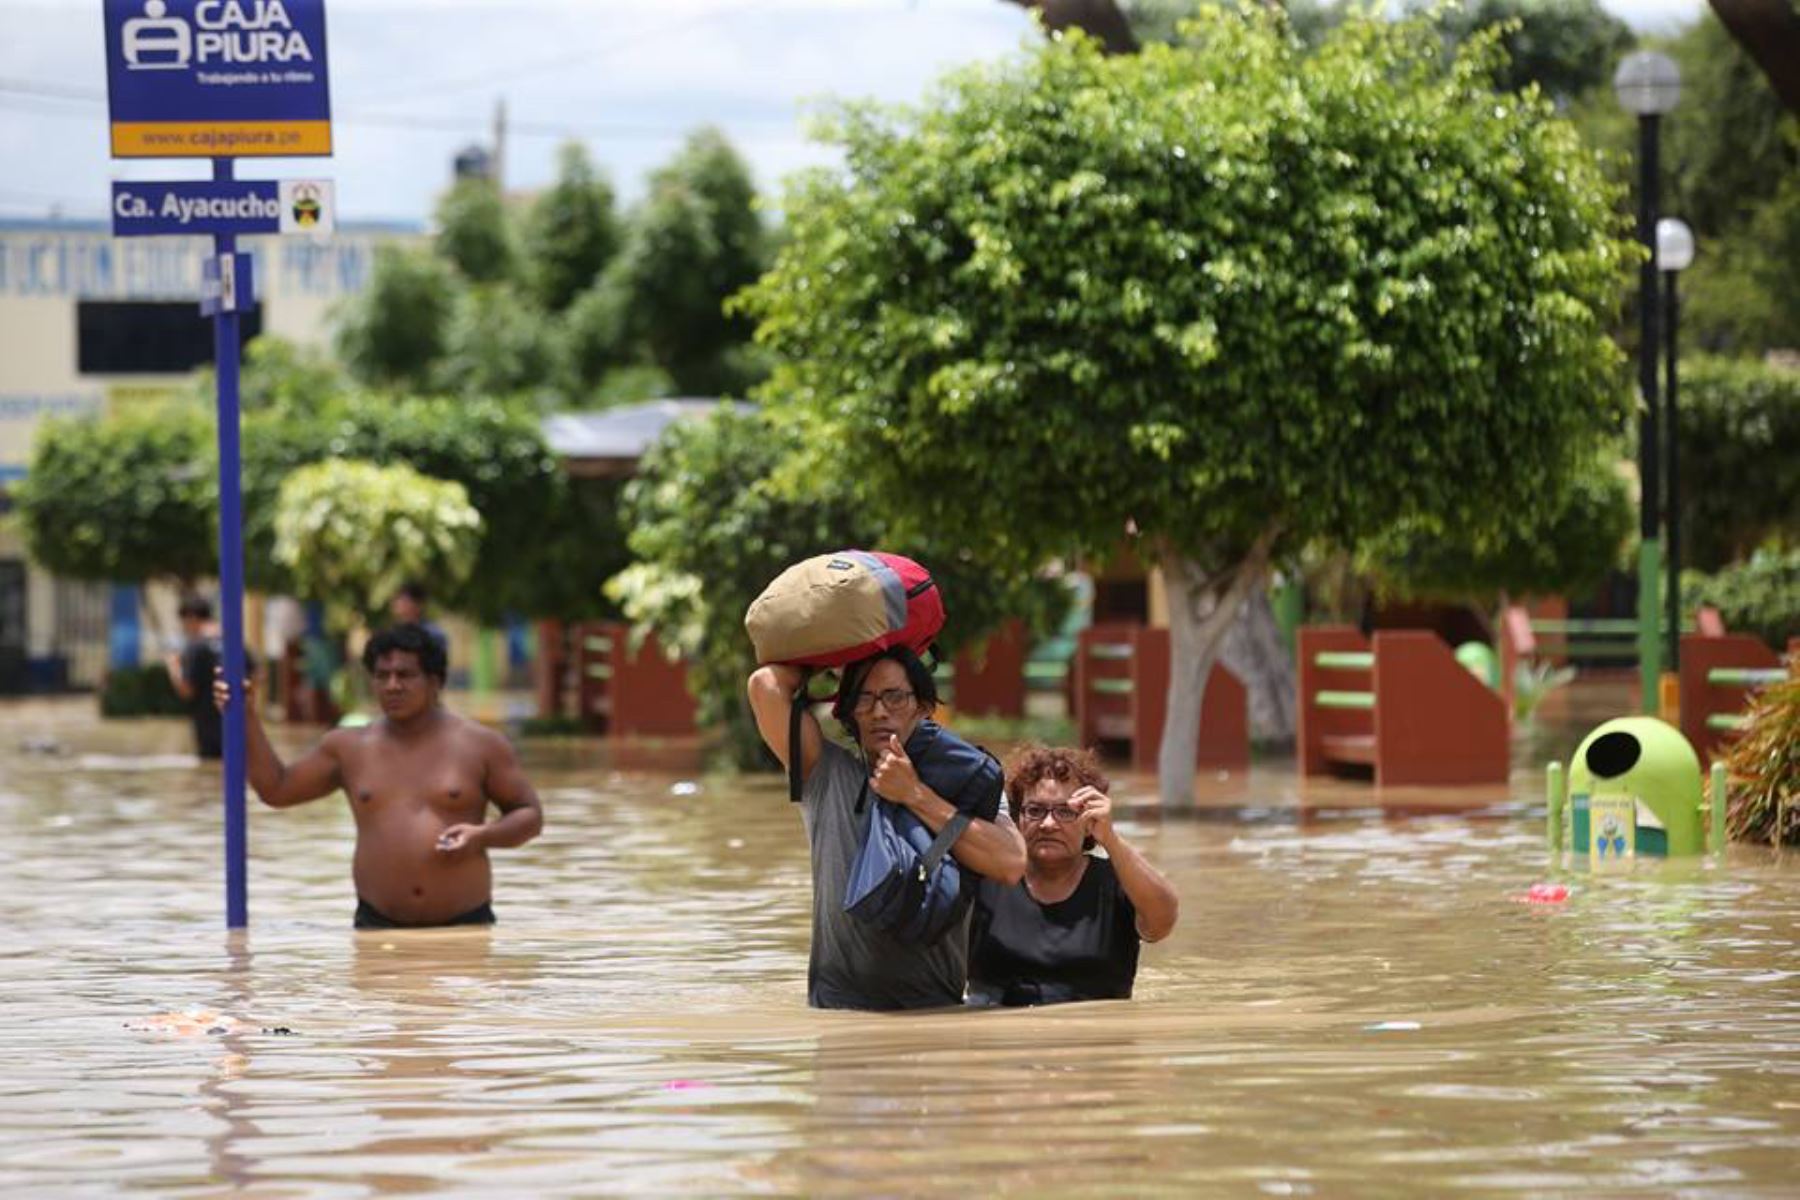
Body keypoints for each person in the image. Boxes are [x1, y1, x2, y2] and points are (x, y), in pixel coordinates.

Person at [747, 647, 1027, 1011]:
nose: (879, 712)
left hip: (935, 1013)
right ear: (847, 713)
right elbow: (764, 684)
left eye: (895, 697)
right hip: (839, 1012)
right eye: (863, 698)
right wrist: (841, 652)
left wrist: (915, 795)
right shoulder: (828, 775)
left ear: (924, 708)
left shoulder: (970, 788)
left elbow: (1011, 863)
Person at [213, 623, 544, 929]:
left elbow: (530, 816)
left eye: (405, 675)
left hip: (463, 927)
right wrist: (245, 715)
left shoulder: (480, 745)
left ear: (435, 681)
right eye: (382, 675)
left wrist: (481, 836)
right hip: (377, 927)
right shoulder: (349, 747)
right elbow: (276, 789)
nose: (392, 686)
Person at [967, 746, 1178, 1007]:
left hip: (1093, 1039)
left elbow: (1163, 922)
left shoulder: (1117, 883)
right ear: (1016, 817)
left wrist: (1111, 839)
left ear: (1089, 820)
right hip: (1000, 1037)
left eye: (1065, 812)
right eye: (1035, 810)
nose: (1048, 824)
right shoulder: (983, 878)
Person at [165, 595, 224, 760]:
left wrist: (173, 666)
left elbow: (186, 691)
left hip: (209, 732)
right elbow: (258, 674)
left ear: (191, 617)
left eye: (183, 622)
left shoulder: (196, 645)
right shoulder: (232, 639)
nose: (184, 628)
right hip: (238, 729)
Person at [390, 583, 450, 661]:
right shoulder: (393, 632)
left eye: (404, 600)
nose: (398, 604)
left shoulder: (433, 634)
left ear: (419, 605)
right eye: (397, 600)